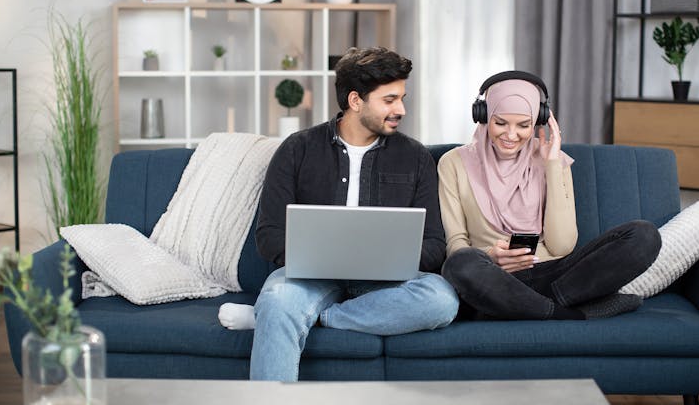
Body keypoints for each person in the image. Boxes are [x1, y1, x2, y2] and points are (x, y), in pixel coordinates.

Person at [219, 46, 459, 381]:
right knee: (278, 299)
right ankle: (282, 316)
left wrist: (389, 258)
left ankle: (317, 317)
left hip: (387, 283)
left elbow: (434, 243)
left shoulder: (415, 157)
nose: (401, 109)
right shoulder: (297, 149)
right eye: (389, 100)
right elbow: (269, 235)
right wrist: (317, 257)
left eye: (402, 98)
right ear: (355, 100)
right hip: (310, 278)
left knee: (442, 300)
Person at [438, 71, 661, 321]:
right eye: (500, 123)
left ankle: (525, 307)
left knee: (644, 235)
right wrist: (490, 256)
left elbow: (562, 246)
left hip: (556, 274)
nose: (511, 135)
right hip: (494, 277)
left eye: (523, 125)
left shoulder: (553, 160)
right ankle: (570, 313)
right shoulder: (453, 163)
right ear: (483, 115)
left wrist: (552, 165)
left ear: (538, 120)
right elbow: (456, 243)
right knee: (460, 265)